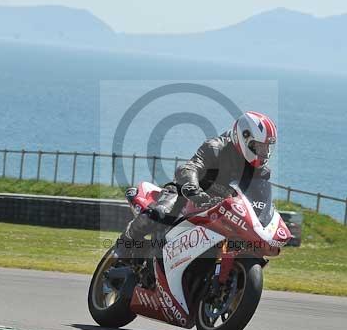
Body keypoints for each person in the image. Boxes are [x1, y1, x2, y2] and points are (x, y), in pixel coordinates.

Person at [114, 111, 277, 259]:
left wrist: (267, 220)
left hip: (220, 209)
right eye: (259, 146)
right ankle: (122, 246)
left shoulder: (260, 172)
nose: (264, 153)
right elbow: (190, 167)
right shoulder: (216, 148)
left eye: (266, 147)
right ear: (244, 138)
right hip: (186, 194)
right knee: (159, 213)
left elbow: (259, 198)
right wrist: (193, 188)